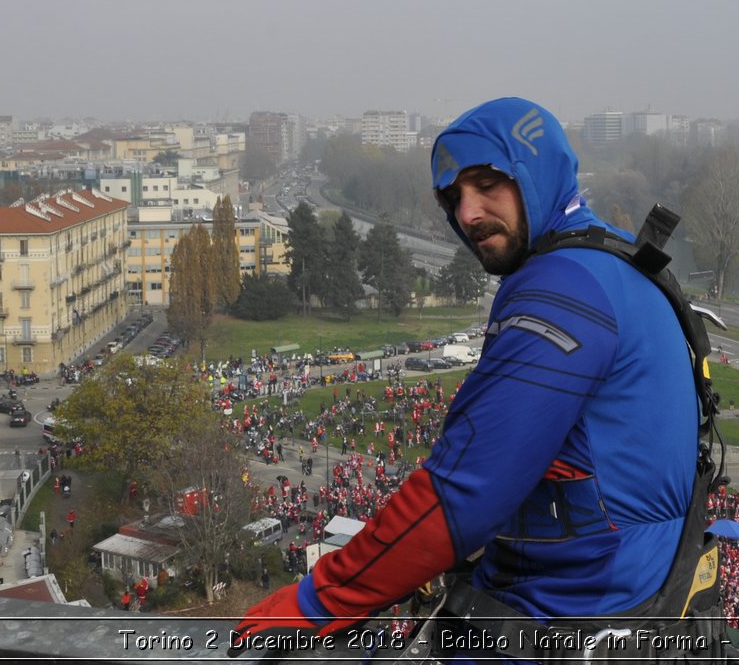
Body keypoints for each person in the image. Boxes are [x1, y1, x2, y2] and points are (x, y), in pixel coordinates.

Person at [232, 98, 702, 657]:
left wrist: (318, 601)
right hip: (626, 600)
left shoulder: (563, 291)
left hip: (564, 613)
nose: (468, 214)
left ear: (537, 175)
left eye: (487, 185)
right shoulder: (613, 261)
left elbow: (462, 494)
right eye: (454, 197)